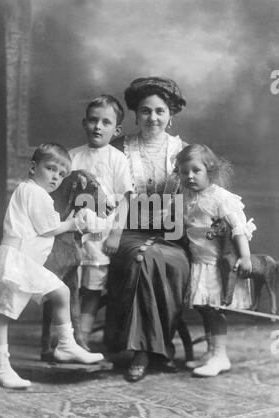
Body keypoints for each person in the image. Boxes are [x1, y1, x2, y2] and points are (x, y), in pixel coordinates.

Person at [0, 143, 104, 389]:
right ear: (32, 167)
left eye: (61, 174)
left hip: (29, 261)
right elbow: (48, 228)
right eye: (51, 169)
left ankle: (65, 345)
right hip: (16, 261)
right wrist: (73, 223)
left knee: (62, 292)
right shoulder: (32, 192)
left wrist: (73, 222)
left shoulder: (38, 193)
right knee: (4, 314)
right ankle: (0, 367)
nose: (56, 177)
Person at [104, 77, 190, 382]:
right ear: (136, 114)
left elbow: (200, 198)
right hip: (126, 234)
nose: (152, 118)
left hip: (172, 237)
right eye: (145, 111)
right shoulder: (118, 148)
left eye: (159, 111)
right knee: (143, 256)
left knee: (155, 257)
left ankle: (149, 347)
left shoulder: (184, 152)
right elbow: (107, 196)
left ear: (171, 114)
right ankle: (153, 349)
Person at [176, 143, 256, 377]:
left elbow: (238, 229)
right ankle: (211, 351)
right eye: (184, 171)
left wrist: (245, 256)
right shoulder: (188, 197)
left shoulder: (220, 198)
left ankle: (221, 355)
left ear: (210, 171)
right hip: (199, 262)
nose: (189, 176)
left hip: (216, 265)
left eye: (196, 170)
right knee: (204, 309)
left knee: (215, 310)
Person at [69, 95, 133, 349]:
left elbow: (124, 200)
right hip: (73, 233)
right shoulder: (72, 156)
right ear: (84, 123)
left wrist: (117, 233)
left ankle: (82, 335)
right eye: (93, 120)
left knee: (93, 289)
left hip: (101, 235)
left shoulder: (118, 159)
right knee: (71, 284)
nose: (98, 126)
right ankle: (66, 335)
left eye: (106, 122)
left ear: (116, 129)